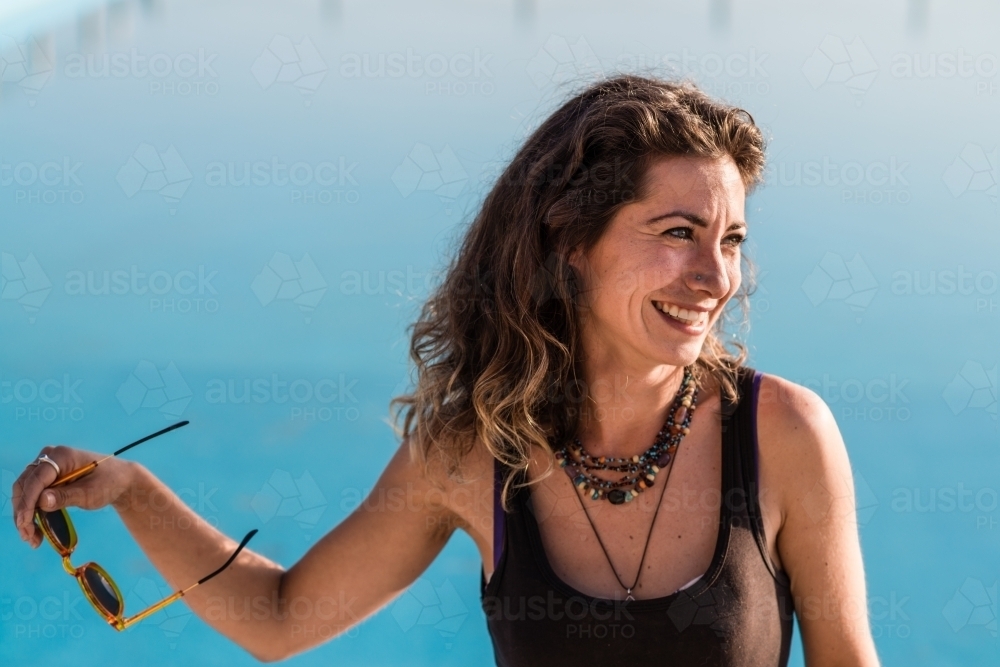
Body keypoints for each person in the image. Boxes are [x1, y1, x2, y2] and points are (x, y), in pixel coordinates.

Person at [12, 74, 881, 666]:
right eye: (678, 232)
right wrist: (130, 488)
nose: (716, 276)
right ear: (572, 242)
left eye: (730, 239)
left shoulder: (782, 436)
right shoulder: (475, 452)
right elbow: (279, 617)